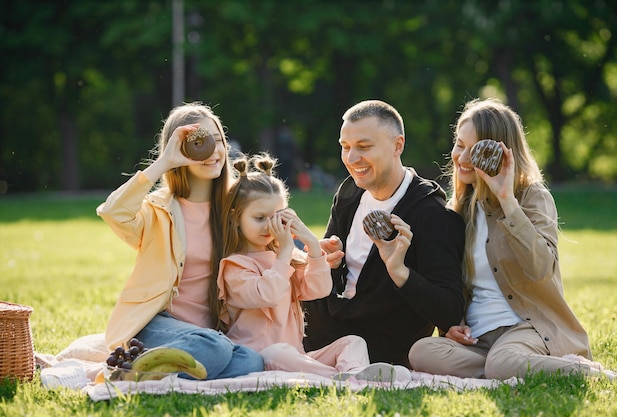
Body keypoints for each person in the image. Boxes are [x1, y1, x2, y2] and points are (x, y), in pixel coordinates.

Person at [409, 98, 617, 380]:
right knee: (420, 352)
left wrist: (507, 200)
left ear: (499, 152)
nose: (462, 157)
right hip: (479, 341)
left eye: (476, 149)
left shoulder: (531, 197)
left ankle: (584, 372)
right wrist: (454, 324)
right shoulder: (457, 211)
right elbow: (453, 282)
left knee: (503, 361)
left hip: (527, 328)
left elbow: (541, 269)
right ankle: (506, 368)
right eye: (460, 145)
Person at [96, 102, 264, 379]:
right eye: (198, 142)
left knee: (251, 361)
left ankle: (141, 372)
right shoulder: (157, 210)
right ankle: (146, 365)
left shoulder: (235, 208)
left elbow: (269, 243)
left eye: (217, 139)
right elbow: (114, 212)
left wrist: (315, 254)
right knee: (216, 348)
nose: (212, 150)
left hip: (208, 332)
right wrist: (164, 163)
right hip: (155, 324)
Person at [216, 153, 410, 382]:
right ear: (235, 218)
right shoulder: (233, 266)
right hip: (259, 356)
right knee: (279, 352)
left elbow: (319, 289)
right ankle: (349, 378)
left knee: (353, 341)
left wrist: (311, 244)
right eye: (259, 218)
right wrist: (287, 250)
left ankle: (354, 373)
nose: (270, 226)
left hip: (297, 357)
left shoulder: (283, 257)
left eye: (277, 217)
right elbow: (267, 294)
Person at [302, 100, 466, 368]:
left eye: (364, 147)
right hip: (325, 327)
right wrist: (326, 261)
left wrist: (399, 272)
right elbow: (333, 278)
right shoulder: (349, 192)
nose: (352, 159)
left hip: (378, 347)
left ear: (397, 146)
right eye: (345, 147)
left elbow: (449, 310)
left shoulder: (431, 215)